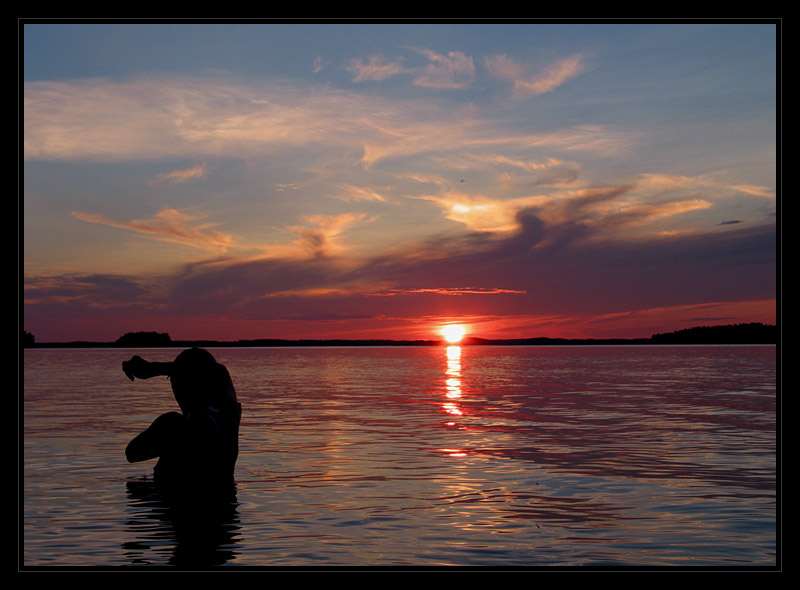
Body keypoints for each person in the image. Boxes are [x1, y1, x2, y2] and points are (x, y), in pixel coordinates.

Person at [123, 348, 242, 498]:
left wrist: (154, 369)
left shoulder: (172, 425)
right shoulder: (230, 416)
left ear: (178, 385)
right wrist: (157, 369)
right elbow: (219, 372)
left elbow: (132, 454)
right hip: (224, 509)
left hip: (180, 510)